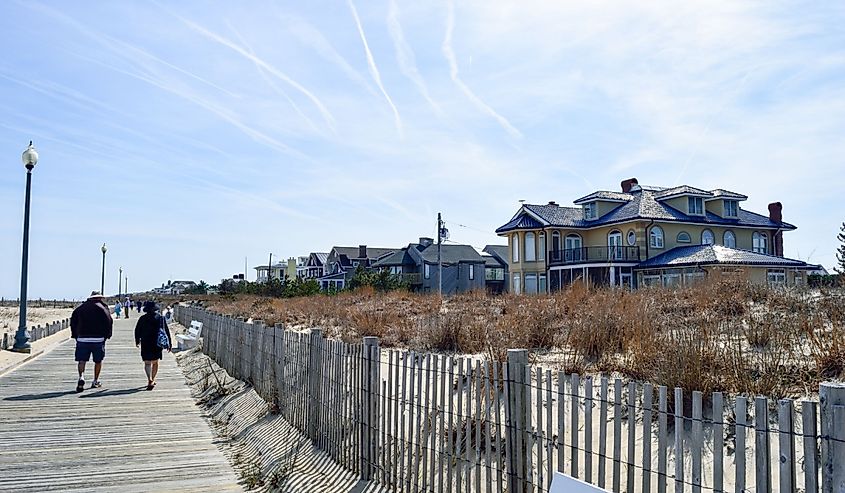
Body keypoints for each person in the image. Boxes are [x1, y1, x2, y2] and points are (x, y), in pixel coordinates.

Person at [70, 291, 113, 392]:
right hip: (98, 338)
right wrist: (107, 335)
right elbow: (109, 322)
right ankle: (95, 380)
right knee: (98, 361)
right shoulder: (103, 308)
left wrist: (75, 335)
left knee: (82, 360)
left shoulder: (80, 308)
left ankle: (81, 377)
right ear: (99, 298)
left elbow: (73, 322)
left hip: (82, 338)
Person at [134, 301, 171, 390]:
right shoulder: (160, 318)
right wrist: (169, 343)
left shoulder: (142, 318)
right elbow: (166, 331)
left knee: (147, 362)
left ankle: (149, 379)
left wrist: (137, 340)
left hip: (145, 342)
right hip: (157, 343)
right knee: (155, 362)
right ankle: (153, 379)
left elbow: (137, 330)